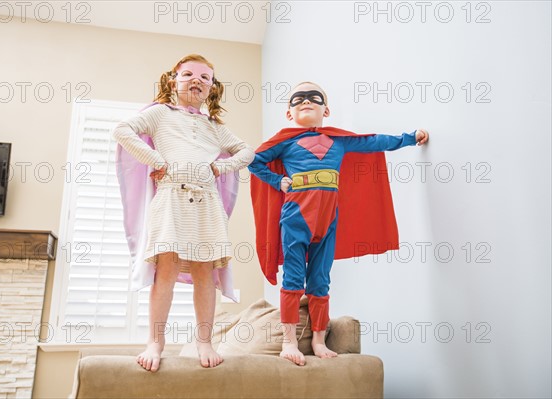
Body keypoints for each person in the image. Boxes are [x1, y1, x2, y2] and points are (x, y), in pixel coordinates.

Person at [248, 82, 429, 366]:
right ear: (289, 113)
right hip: (296, 216)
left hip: (328, 218)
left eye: (313, 98)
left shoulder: (340, 140)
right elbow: (254, 161)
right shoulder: (283, 141)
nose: (305, 101)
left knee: (320, 280)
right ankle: (289, 341)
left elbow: (375, 141)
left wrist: (409, 138)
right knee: (294, 279)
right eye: (298, 99)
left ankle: (319, 340)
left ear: (326, 109)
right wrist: (276, 180)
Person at [113, 54, 254, 372]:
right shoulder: (160, 114)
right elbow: (123, 130)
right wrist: (156, 161)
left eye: (205, 77)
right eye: (189, 74)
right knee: (166, 272)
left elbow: (247, 151)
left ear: (211, 88)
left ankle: (205, 340)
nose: (197, 80)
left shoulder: (215, 127)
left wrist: (221, 166)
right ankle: (155, 342)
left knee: (206, 272)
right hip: (171, 200)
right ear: (173, 81)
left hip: (206, 202)